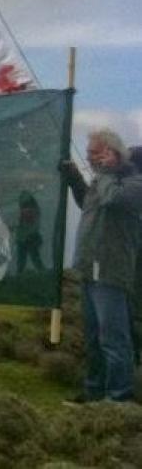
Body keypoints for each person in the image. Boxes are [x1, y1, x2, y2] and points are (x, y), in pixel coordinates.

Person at [62, 128, 142, 403]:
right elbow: (90, 204)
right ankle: (94, 391)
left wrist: (107, 173)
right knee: (93, 337)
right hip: (88, 267)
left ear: (113, 153)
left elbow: (114, 200)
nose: (89, 157)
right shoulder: (102, 181)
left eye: (95, 152)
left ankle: (119, 397)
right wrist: (75, 180)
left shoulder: (134, 182)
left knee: (113, 338)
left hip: (110, 269)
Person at [14, 191, 44, 273]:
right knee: (24, 261)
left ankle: (20, 276)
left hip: (29, 239)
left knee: (33, 260)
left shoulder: (31, 211)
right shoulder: (31, 211)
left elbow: (31, 225)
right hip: (25, 239)